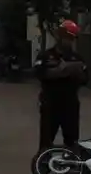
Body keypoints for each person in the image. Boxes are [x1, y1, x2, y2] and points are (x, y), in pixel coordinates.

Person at [36, 19, 88, 150]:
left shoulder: (77, 58)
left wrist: (77, 73)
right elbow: (39, 73)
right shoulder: (46, 56)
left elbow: (86, 78)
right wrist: (60, 71)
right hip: (50, 105)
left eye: (71, 38)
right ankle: (43, 165)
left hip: (70, 105)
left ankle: (72, 167)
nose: (68, 41)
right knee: (46, 142)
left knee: (72, 143)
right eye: (66, 37)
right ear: (59, 36)